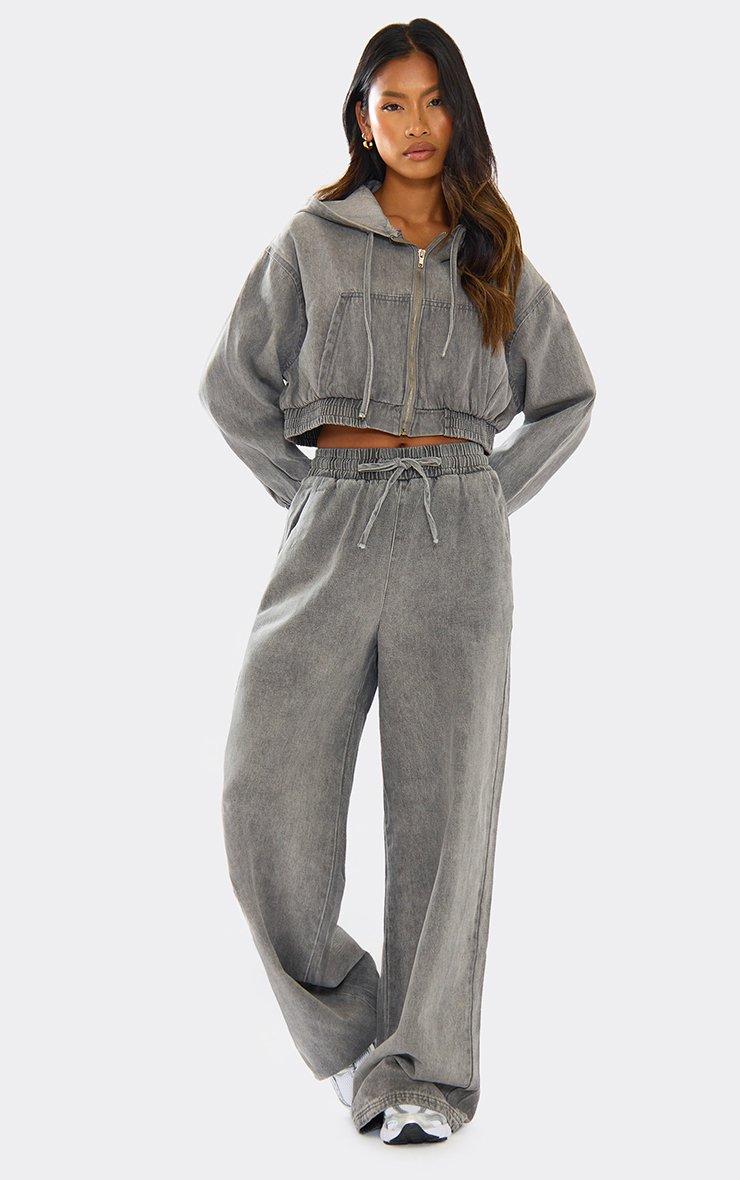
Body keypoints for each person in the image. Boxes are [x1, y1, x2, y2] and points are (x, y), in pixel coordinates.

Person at [198, 18, 595, 1146]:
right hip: (335, 521)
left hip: (453, 540)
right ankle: (351, 1034)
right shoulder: (311, 240)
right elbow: (232, 386)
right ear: (361, 121)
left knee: (444, 812)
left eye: (433, 101)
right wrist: (308, 493)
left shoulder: (492, 252)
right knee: (263, 795)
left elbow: (568, 395)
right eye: (392, 103)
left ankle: (423, 1073)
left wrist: (483, 495)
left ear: (457, 114)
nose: (415, 124)